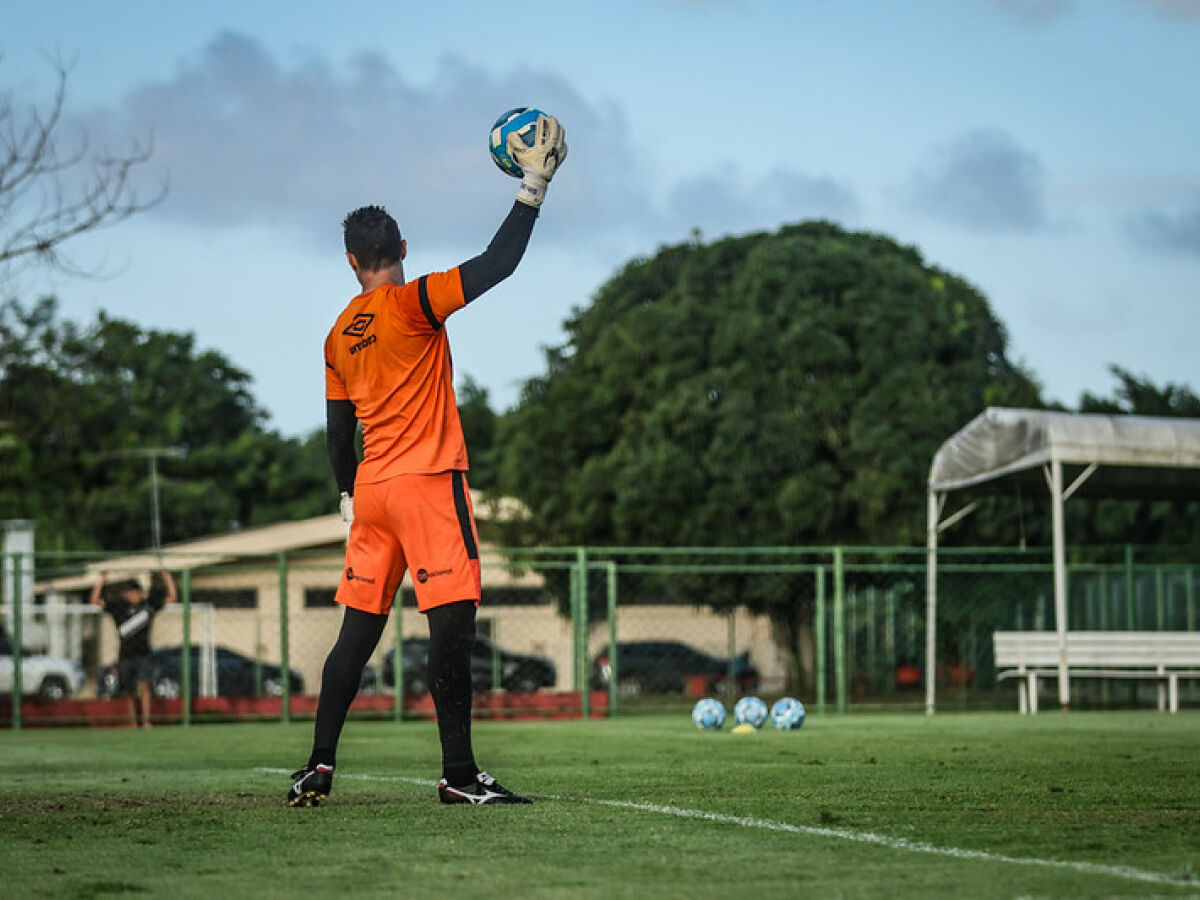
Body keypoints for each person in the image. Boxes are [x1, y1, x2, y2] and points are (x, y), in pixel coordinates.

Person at [287, 113, 567, 807]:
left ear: (351, 261)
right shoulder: (415, 304)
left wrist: (347, 494)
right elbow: (497, 265)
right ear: (401, 248)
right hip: (426, 486)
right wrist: (533, 185)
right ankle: (460, 775)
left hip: (372, 493)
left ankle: (318, 764)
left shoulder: (336, 335)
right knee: (452, 630)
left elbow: (335, 434)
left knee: (355, 634)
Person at [90, 569, 177, 727]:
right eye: (131, 593)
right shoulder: (119, 608)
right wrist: (101, 580)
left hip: (143, 654)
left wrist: (167, 578)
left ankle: (146, 720)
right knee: (128, 690)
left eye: (137, 593)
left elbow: (172, 598)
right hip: (125, 655)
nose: (134, 596)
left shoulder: (148, 606)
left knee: (145, 685)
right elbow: (95, 601)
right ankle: (133, 721)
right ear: (126, 594)